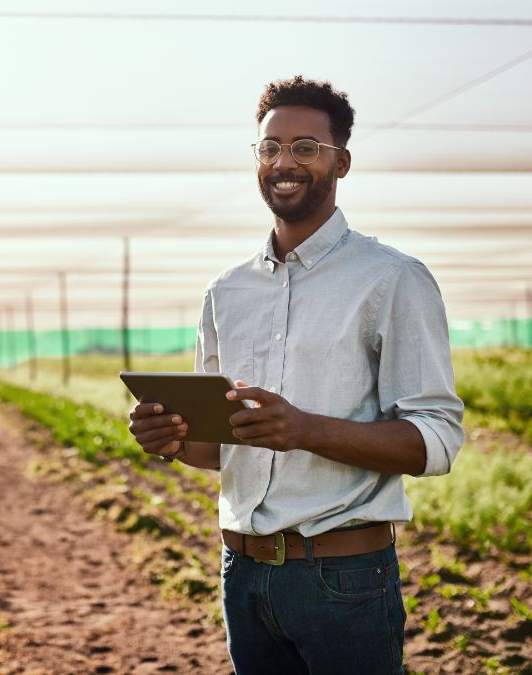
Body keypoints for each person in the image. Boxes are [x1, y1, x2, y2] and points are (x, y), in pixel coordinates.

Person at [127, 76, 464, 674]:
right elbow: (222, 448)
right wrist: (175, 439)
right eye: (270, 147)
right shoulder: (226, 292)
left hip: (343, 581)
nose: (284, 162)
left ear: (342, 161)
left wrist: (304, 429)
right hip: (242, 575)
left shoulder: (391, 279)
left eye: (305, 147)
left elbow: (434, 441)